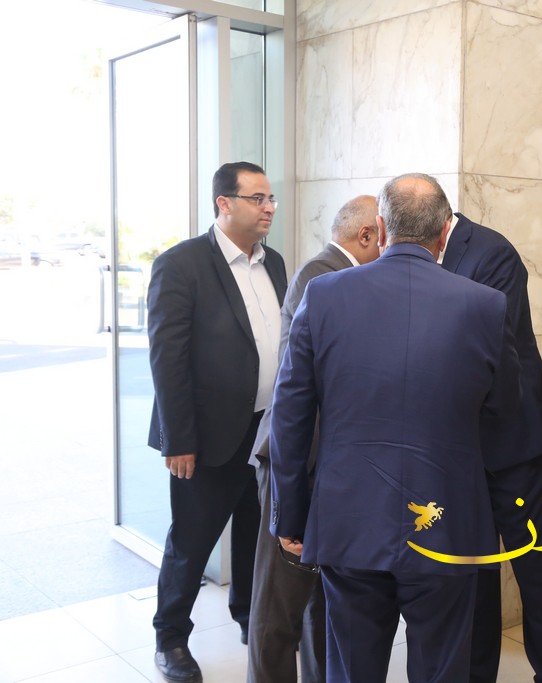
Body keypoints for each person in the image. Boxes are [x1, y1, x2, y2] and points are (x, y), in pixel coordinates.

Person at [269, 172, 521, 683]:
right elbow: (504, 420)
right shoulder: (486, 305)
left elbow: (290, 415)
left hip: (350, 521)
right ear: (444, 233)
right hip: (448, 525)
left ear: (380, 229)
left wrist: (290, 516)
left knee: (351, 669)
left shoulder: (324, 295)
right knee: (443, 670)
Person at [147, 161, 288, 683]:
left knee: (257, 534)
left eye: (270, 198)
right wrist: (178, 439)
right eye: (257, 198)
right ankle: (170, 638)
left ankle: (250, 618)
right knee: (191, 543)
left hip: (265, 430)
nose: (269, 207)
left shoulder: (274, 263)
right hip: (205, 438)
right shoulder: (181, 264)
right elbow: (167, 361)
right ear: (223, 203)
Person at [247, 195, 381, 683]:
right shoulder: (322, 278)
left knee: (319, 603)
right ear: (366, 236)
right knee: (277, 608)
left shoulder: (337, 276)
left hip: (324, 464)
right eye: (386, 236)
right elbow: (300, 391)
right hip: (295, 461)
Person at [440, 214, 542, 682]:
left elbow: (485, 349)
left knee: (536, 570)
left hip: (514, 444)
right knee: (475, 572)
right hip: (462, 451)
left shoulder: (491, 252)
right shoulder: (423, 249)